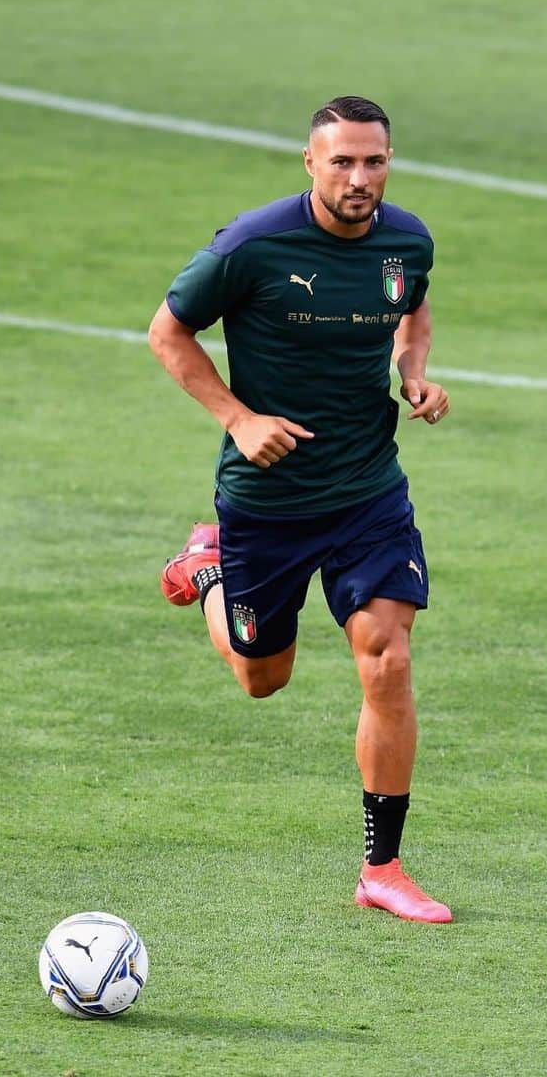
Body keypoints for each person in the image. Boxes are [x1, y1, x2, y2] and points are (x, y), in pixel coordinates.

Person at [147, 96, 452, 923]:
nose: (361, 178)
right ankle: (208, 566)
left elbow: (411, 305)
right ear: (309, 163)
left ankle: (382, 868)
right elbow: (167, 334)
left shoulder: (407, 239)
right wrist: (239, 420)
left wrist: (413, 369)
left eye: (375, 161)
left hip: (366, 491)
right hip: (268, 502)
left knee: (386, 655)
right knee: (261, 678)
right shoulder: (253, 245)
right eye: (343, 161)